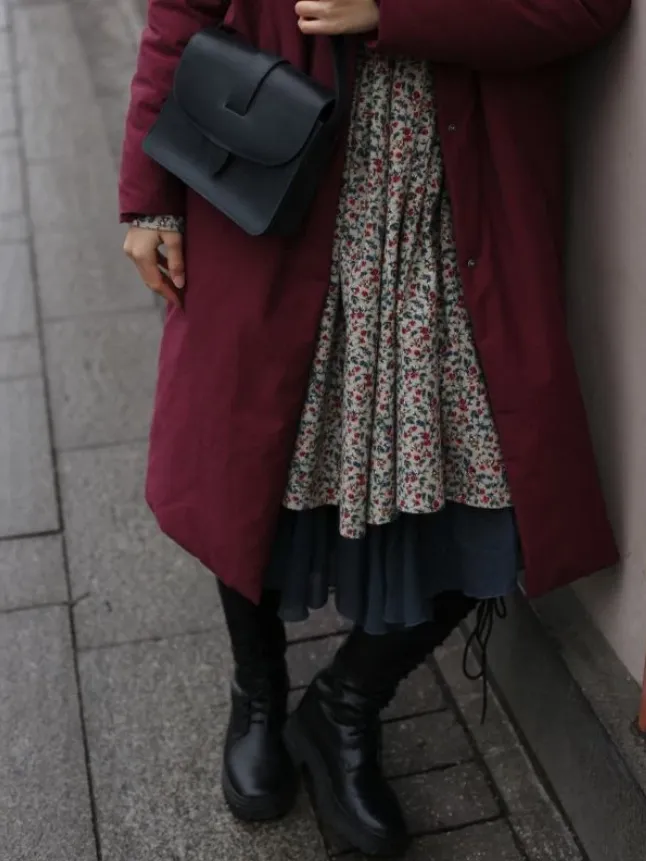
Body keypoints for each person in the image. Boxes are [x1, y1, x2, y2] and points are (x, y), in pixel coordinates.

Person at [119, 0, 630, 855]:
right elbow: (181, 10)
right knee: (248, 463)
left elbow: (585, 8)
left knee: (496, 486)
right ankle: (257, 693)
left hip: (451, 215)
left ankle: (345, 704)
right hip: (270, 180)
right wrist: (148, 199)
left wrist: (395, 11)